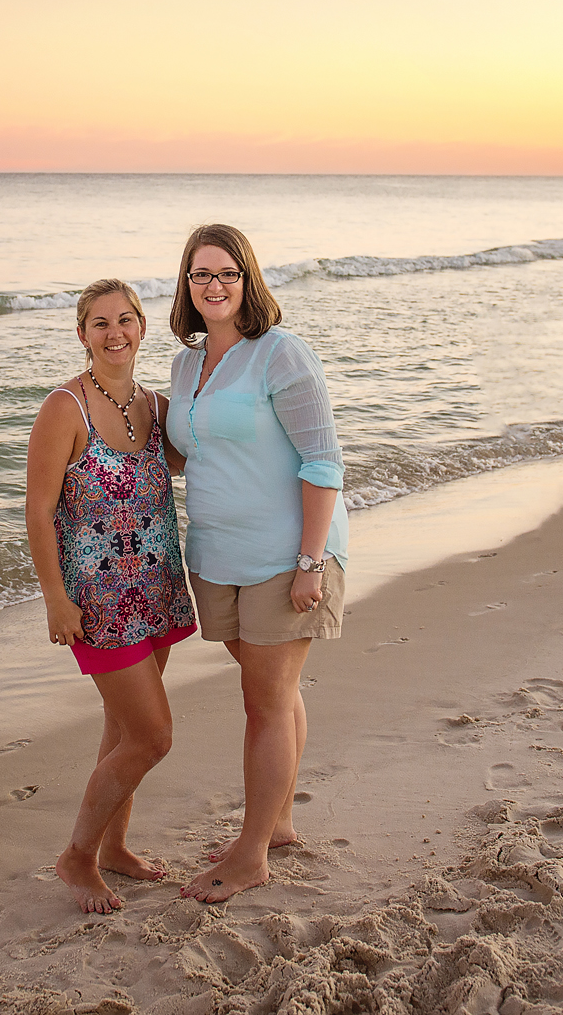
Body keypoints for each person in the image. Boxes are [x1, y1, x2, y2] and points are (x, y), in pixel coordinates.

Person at [166, 223, 349, 904]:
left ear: (249, 280)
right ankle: (281, 823)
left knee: (263, 703)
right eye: (199, 275)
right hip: (216, 553)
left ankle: (251, 853)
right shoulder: (186, 364)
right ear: (185, 286)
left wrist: (311, 560)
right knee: (274, 692)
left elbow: (323, 462)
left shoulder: (282, 355)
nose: (213, 286)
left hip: (284, 552)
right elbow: (191, 448)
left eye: (226, 273)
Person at [24, 278, 199, 913]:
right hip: (97, 602)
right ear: (82, 334)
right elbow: (38, 511)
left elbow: (208, 453)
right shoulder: (63, 409)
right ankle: (76, 857)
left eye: (126, 319)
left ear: (143, 328)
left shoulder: (156, 406)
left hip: (154, 589)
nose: (115, 332)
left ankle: (115, 848)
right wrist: (54, 598)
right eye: (100, 323)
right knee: (152, 736)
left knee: (123, 726)